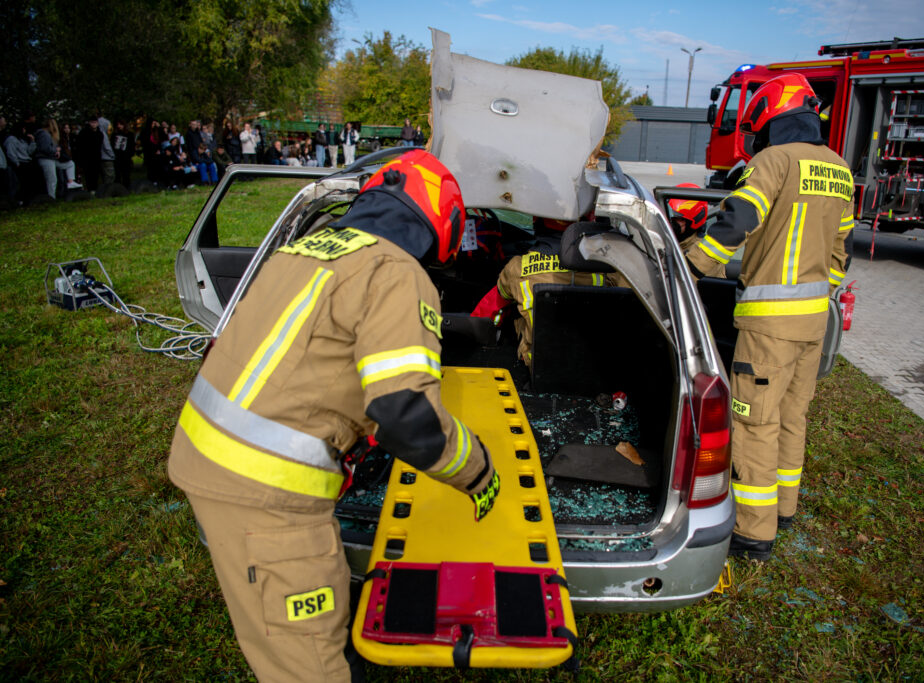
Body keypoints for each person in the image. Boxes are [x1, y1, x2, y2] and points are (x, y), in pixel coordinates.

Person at [168, 149, 499, 682]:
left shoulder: (300, 252)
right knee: (309, 662)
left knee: (287, 629)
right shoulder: (395, 270)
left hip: (206, 456)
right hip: (267, 498)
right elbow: (406, 415)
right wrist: (479, 471)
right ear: (440, 224)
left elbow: (316, 362)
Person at [683, 73, 855, 561]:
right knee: (792, 416)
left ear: (768, 119)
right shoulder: (839, 168)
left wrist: (689, 268)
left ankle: (754, 533)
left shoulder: (774, 161)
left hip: (770, 326)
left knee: (754, 422)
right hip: (814, 322)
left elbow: (737, 220)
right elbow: (841, 252)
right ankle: (784, 507)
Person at [472, 218, 615, 369]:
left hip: (538, 365)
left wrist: (471, 332)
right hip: (595, 364)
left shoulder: (517, 267)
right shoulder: (609, 269)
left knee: (518, 315)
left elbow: (491, 308)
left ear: (537, 224)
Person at [666, 182, 708, 251]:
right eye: (670, 217)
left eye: (678, 219)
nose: (671, 222)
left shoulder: (699, 252)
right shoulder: (666, 241)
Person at [111, 120, 135, 188]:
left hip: (126, 157)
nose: (119, 126)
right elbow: (112, 145)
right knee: (117, 174)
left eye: (120, 124)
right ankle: (118, 188)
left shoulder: (129, 134)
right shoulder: (114, 134)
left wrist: (130, 154)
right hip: (117, 157)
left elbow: (132, 146)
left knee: (126, 174)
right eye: (118, 124)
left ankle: (127, 187)